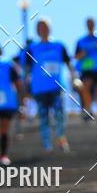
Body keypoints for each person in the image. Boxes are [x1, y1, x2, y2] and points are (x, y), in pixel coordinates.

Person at [25, 18, 77, 153]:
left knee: (60, 114)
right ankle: (47, 143)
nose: (43, 29)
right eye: (40, 27)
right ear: (37, 30)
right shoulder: (32, 48)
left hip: (57, 86)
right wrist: (26, 84)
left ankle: (61, 138)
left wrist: (74, 78)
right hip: (39, 88)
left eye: (45, 26)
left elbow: (68, 63)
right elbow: (26, 68)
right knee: (43, 116)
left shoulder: (59, 45)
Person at [74, 18, 97, 120]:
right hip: (86, 69)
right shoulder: (81, 41)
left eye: (91, 23)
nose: (90, 25)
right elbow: (76, 56)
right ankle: (88, 110)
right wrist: (82, 54)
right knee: (85, 88)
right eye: (88, 24)